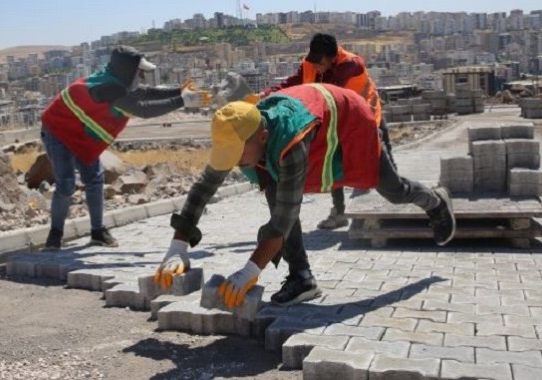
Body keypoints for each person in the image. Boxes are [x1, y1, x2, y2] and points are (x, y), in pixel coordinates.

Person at [155, 83, 455, 308]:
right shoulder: (241, 132)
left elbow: (286, 215)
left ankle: (436, 202)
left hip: (350, 121)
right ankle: (302, 279)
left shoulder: (289, 139)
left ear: (262, 137)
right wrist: (178, 247)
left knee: (393, 191)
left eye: (238, 153)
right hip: (312, 126)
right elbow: (205, 186)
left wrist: (250, 269)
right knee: (275, 193)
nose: (234, 161)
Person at [40, 45, 209, 250]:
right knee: (66, 183)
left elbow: (143, 93)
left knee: (94, 179)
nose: (143, 77)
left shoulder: (117, 80)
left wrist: (179, 92)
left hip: (81, 134)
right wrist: (182, 101)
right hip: (58, 130)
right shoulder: (110, 88)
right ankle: (55, 235)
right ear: (128, 71)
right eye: (140, 72)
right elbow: (142, 109)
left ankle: (97, 232)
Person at [261, 33, 393, 230]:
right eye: (313, 61)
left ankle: (392, 201)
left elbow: (331, 90)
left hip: (368, 117)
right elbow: (293, 82)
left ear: (332, 58)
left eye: (320, 63)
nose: (316, 67)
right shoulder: (310, 63)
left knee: (384, 165)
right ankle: (339, 213)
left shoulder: (351, 64)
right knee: (332, 161)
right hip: (342, 120)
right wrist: (267, 94)